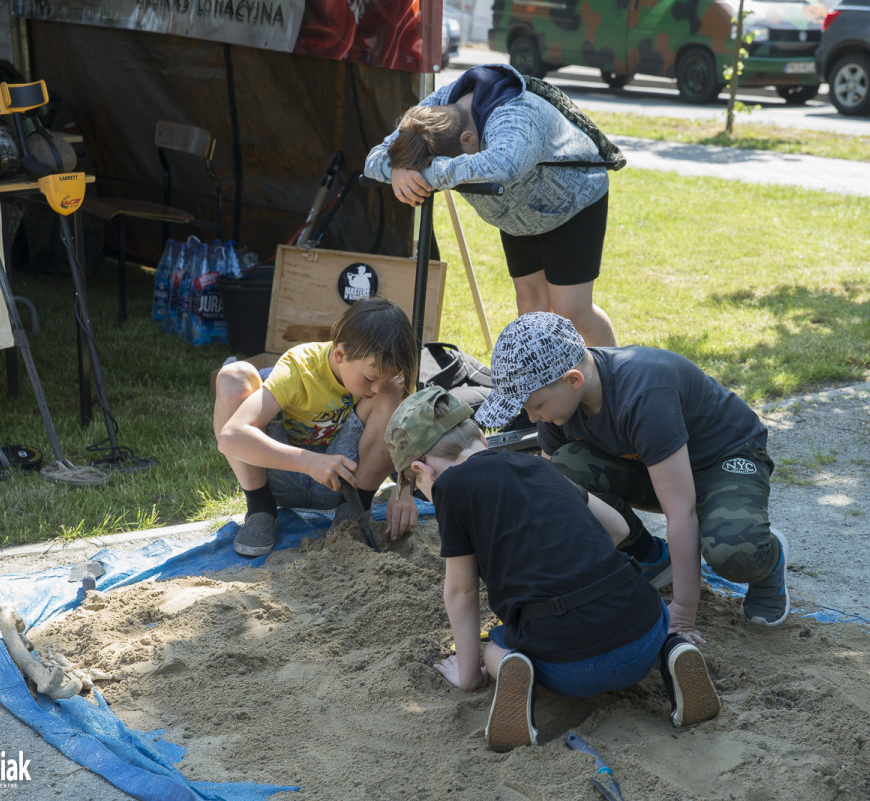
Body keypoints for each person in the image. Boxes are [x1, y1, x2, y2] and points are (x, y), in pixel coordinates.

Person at [384, 386, 721, 750]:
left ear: (422, 471)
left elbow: (461, 591)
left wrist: (468, 675)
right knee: (645, 623)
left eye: (417, 486)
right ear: (482, 437)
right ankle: (670, 652)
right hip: (640, 631)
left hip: (566, 668)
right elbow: (619, 529)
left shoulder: (450, 486)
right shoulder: (539, 465)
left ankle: (512, 666)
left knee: (492, 645)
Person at [474, 312, 788, 646]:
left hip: (723, 459)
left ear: (573, 380)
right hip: (653, 465)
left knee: (734, 551)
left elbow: (680, 511)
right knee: (566, 471)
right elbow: (553, 499)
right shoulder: (558, 407)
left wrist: (682, 609)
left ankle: (770, 559)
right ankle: (649, 556)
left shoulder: (644, 395)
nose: (534, 418)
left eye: (535, 405)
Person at [364, 63, 618, 347]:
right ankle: (544, 388)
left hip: (572, 202)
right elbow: (374, 157)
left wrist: (427, 173)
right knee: (530, 305)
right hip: (517, 214)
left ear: (468, 139)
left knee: (572, 311)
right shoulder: (435, 110)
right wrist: (398, 169)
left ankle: (615, 382)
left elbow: (503, 166)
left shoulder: (515, 115)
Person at [214, 297, 420, 556]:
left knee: (394, 390)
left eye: (383, 378)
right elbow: (230, 437)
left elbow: (410, 428)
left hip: (346, 483)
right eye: (369, 379)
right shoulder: (300, 367)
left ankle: (356, 511)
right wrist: (308, 462)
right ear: (340, 355)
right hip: (280, 475)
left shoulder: (379, 383)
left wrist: (404, 487)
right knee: (234, 376)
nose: (376, 388)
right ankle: (260, 509)